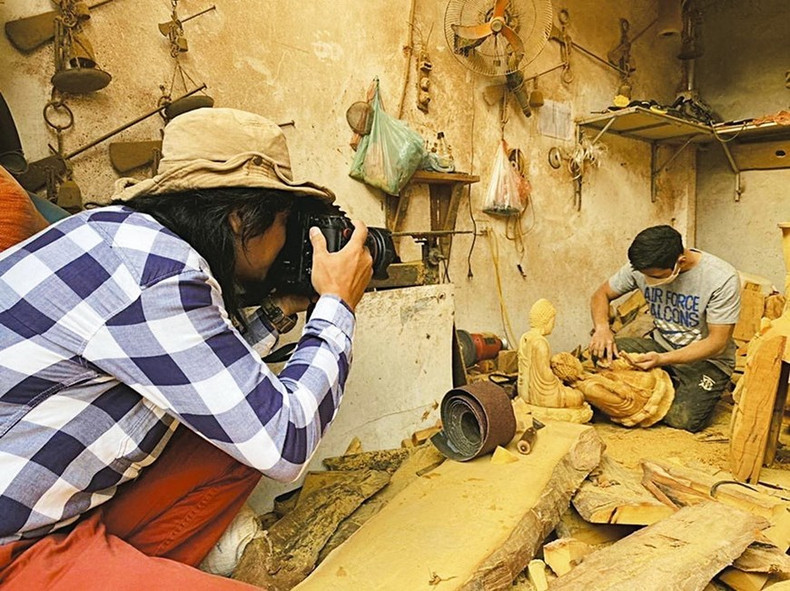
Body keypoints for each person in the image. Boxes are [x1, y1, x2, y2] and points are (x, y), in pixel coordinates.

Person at [0, 107, 373, 589]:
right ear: (242, 218)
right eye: (286, 224)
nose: (286, 244)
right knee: (260, 437)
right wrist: (337, 305)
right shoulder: (159, 275)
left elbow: (204, 372)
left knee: (232, 440)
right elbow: (287, 440)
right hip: (14, 546)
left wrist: (279, 309)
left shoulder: (127, 242)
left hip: (50, 512)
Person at [589, 224, 741, 432]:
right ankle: (664, 380)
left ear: (680, 261)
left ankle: (676, 383)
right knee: (602, 353)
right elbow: (601, 295)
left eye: (656, 277)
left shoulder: (721, 278)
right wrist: (602, 327)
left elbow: (717, 343)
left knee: (682, 419)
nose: (649, 281)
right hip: (659, 345)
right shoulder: (641, 267)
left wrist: (662, 360)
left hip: (706, 360)